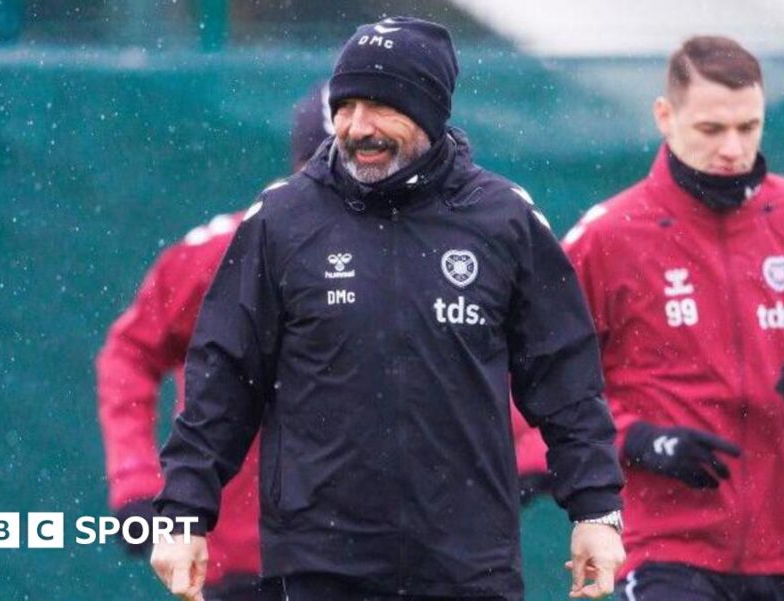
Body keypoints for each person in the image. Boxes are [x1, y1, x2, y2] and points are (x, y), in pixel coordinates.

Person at [148, 16, 625, 601]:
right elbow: (222, 379)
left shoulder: (503, 220)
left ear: (430, 111)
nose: (355, 127)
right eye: (345, 107)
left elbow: (565, 380)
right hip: (319, 566)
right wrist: (181, 514)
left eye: (379, 107)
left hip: (468, 567)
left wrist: (597, 512)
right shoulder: (281, 220)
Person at [562, 36, 784, 601]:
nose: (732, 148)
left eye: (748, 127)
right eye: (711, 129)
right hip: (661, 546)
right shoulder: (610, 235)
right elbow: (540, 380)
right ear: (665, 117)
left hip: (782, 549)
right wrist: (640, 439)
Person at [95, 81, 333, 601]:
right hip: (241, 556)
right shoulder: (221, 252)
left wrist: (523, 453)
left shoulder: (417, 256)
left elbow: (482, 355)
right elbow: (130, 352)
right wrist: (136, 478)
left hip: (382, 554)